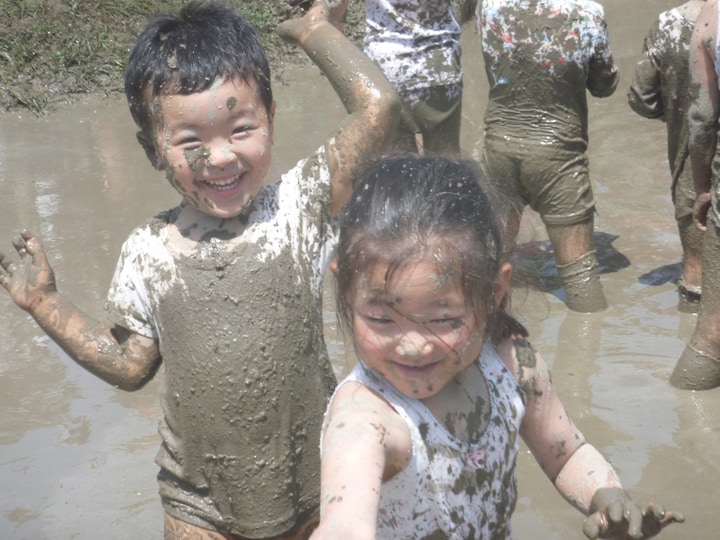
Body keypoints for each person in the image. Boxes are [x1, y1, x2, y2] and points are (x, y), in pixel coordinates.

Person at [0, 1, 400, 538]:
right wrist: (47, 305)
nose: (220, 158)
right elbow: (129, 364)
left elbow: (379, 108)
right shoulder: (150, 252)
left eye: (240, 129)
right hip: (199, 511)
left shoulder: (299, 205)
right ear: (153, 151)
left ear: (271, 118)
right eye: (191, 142)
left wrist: (315, 32)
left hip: (314, 492)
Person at [310, 155, 684, 539]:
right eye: (382, 319)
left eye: (443, 319)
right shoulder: (365, 418)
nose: (413, 346)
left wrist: (606, 495)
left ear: (493, 294)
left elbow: (566, 454)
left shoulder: (512, 366)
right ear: (347, 292)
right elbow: (344, 524)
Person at [478, 0, 619, 312]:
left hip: (499, 146)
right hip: (558, 157)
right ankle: (581, 356)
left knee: (487, 272)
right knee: (583, 290)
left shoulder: (489, 6)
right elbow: (604, 84)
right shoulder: (587, 13)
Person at [628, 0, 706, 313]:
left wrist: (676, 115)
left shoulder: (669, 23)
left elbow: (642, 98)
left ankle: (689, 330)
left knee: (696, 268)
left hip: (691, 164)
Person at [332, 0, 468, 155]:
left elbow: (336, 10)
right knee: (444, 156)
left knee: (398, 160)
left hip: (386, 66)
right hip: (439, 62)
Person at [671, 0, 720, 390]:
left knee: (711, 336)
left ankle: (686, 436)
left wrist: (703, 187)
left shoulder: (711, 16)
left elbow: (702, 118)